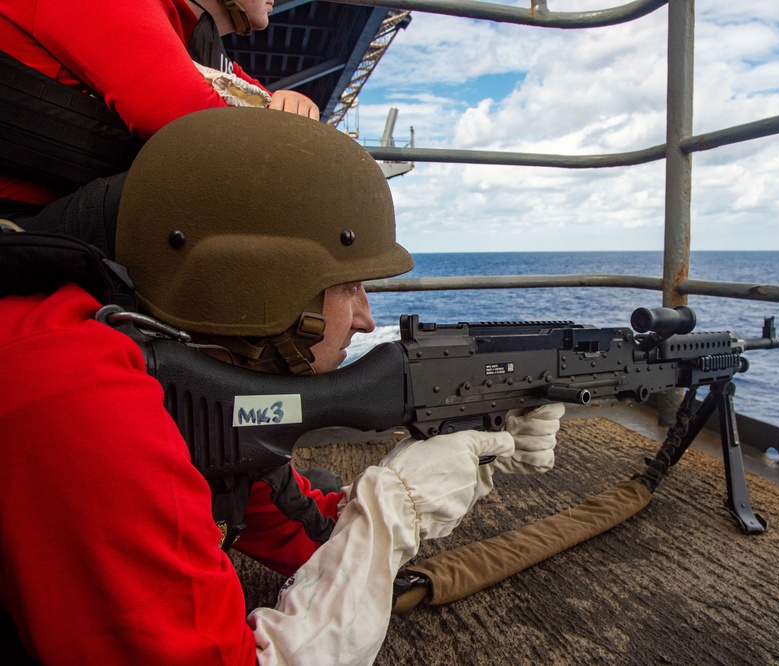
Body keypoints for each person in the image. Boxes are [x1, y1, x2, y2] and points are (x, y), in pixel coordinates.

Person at [0, 107, 563, 664]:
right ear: (262, 287)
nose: (366, 319)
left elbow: (309, 535)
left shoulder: (169, 374)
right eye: (351, 286)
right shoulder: (80, 400)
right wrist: (396, 509)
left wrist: (471, 450)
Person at [0, 0, 319, 256]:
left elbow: (267, 116)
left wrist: (290, 100)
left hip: (52, 221)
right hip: (19, 228)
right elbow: (200, 131)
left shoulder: (185, 36)